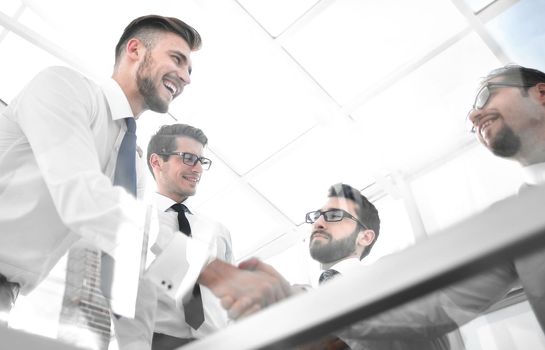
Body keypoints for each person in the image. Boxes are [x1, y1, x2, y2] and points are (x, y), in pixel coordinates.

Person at [0, 14, 290, 338]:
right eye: (177, 59)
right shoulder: (64, 88)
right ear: (135, 50)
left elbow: (126, 263)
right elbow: (83, 199)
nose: (186, 77)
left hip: (8, 298)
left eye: (189, 69)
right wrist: (212, 271)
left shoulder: (132, 163)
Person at [304, 183, 451, 350]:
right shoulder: (304, 309)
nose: (318, 223)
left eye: (334, 215)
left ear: (365, 237)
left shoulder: (395, 284)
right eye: (317, 216)